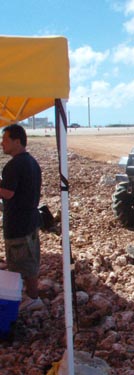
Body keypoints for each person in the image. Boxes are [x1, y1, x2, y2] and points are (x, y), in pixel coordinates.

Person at [0, 124, 43, 311]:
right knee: (28, 259)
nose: (2, 143)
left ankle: (32, 298)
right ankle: (30, 295)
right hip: (30, 220)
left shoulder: (14, 165)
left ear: (17, 141)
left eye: (5, 139)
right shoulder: (31, 162)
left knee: (21, 262)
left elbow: (8, 193)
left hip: (18, 223)